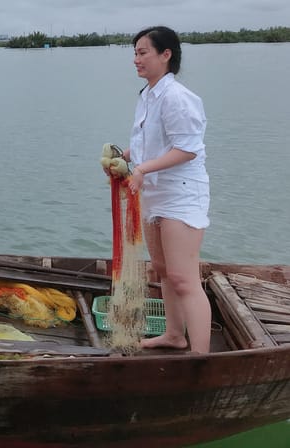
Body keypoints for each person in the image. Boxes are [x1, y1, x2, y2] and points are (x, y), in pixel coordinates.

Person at [113, 26, 211, 353]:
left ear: (165, 54)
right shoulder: (148, 95)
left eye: (143, 53)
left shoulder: (177, 97)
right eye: (135, 53)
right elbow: (150, 143)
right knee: (164, 271)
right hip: (156, 193)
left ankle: (200, 357)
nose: (136, 60)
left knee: (185, 279)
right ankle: (174, 335)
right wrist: (123, 157)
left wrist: (140, 168)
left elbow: (187, 149)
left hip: (182, 194)